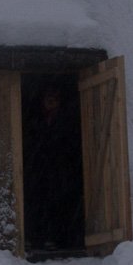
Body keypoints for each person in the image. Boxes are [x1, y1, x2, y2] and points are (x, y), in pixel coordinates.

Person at [23, 82, 84, 253]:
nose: (51, 101)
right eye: (48, 98)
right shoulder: (33, 119)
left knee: (61, 206)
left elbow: (72, 144)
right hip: (38, 170)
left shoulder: (68, 120)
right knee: (36, 205)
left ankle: (61, 240)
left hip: (61, 171)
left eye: (54, 98)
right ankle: (37, 239)